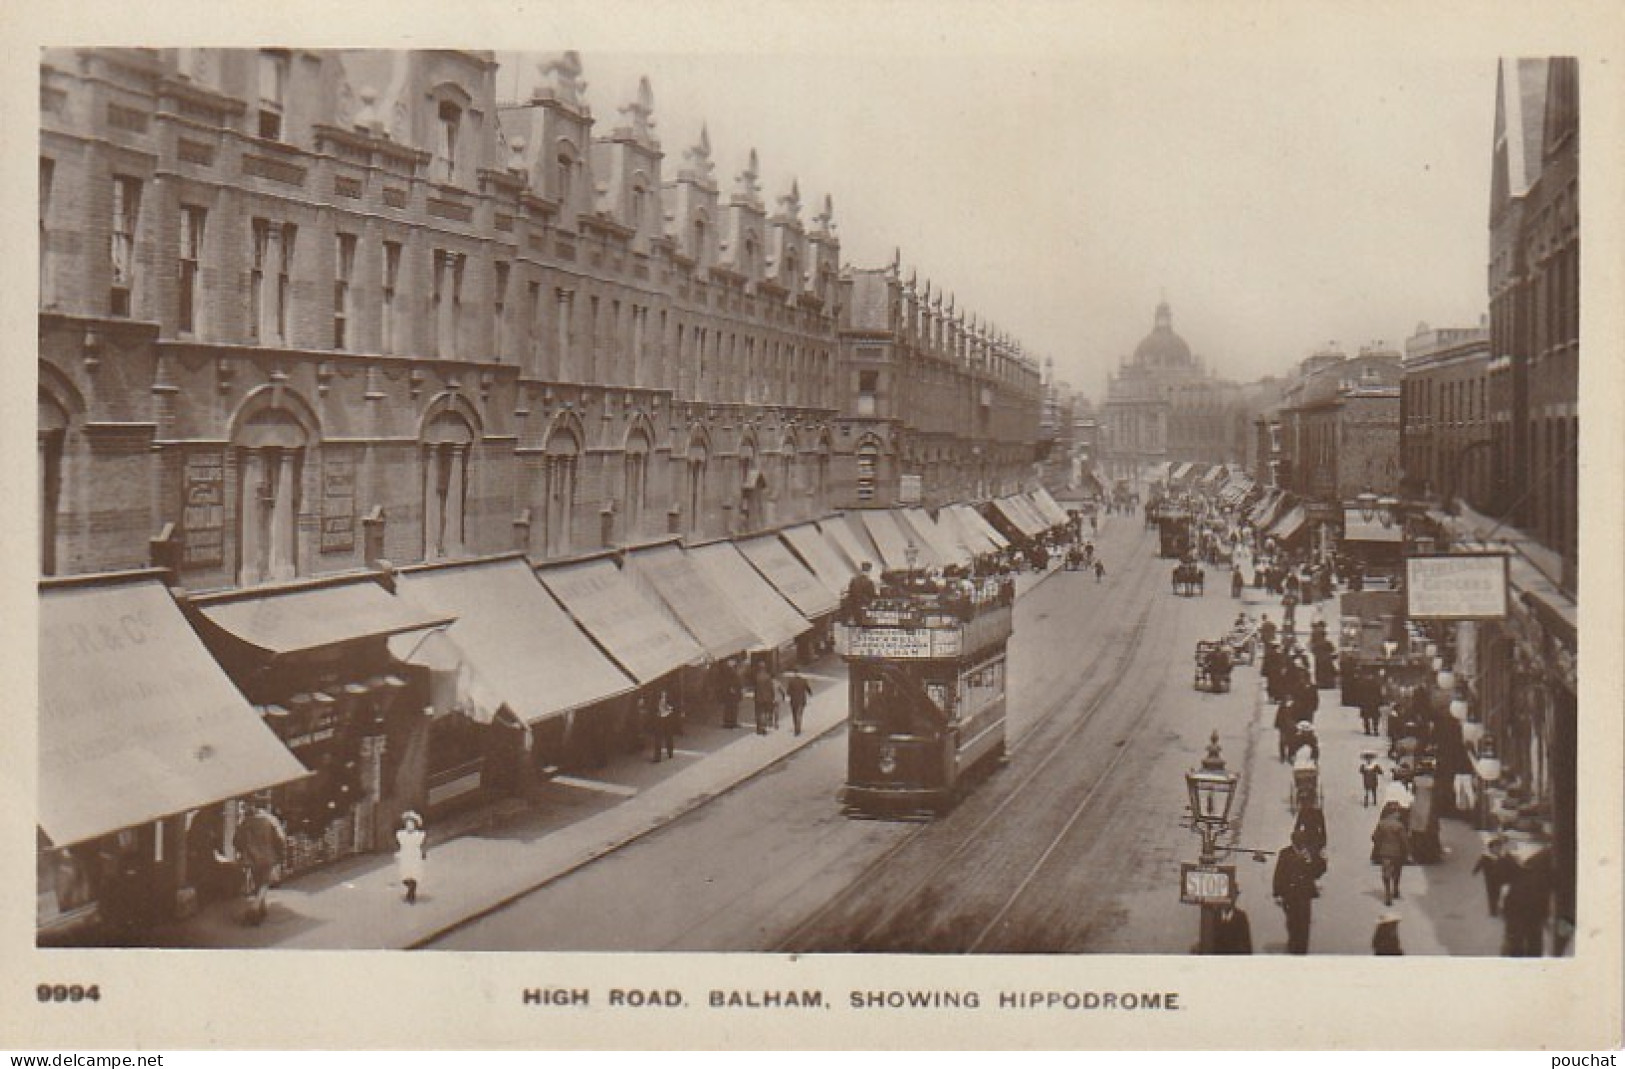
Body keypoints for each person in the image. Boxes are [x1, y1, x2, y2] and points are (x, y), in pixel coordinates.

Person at [233, 800, 287, 926]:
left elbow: (236, 841)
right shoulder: (270, 820)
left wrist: (244, 851)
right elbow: (281, 838)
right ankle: (255, 907)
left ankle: (261, 909)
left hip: (251, 858)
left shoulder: (245, 822)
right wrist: (278, 853)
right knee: (264, 882)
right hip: (268, 856)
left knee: (258, 881)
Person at [1273, 831, 1320, 954]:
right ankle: (1293, 943)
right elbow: (1278, 874)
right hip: (1290, 895)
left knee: (1305, 921)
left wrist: (1310, 861)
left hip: (1305, 895)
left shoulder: (1308, 854)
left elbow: (1318, 872)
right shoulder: (1285, 854)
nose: (1302, 846)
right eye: (1299, 843)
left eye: (1303, 843)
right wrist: (1277, 893)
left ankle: (1302, 947)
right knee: (1292, 921)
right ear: (1293, 842)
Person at [1370, 802, 1410, 906]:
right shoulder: (1399, 825)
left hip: (1385, 853)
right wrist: (1407, 852)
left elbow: (1374, 837)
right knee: (1397, 872)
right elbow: (1404, 841)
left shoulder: (1381, 824)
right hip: (1398, 853)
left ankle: (1387, 894)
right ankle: (1395, 890)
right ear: (1394, 814)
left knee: (1386, 874)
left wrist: (1380, 845)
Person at [1472, 833, 1508, 918]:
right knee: (1492, 894)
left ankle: (1496, 907)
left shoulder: (1500, 857)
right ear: (1491, 848)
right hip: (1490, 879)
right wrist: (1475, 871)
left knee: (1498, 893)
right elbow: (1479, 864)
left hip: (1499, 878)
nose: (1498, 850)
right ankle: (1493, 910)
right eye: (1496, 848)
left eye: (1499, 848)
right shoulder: (1486, 857)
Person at [396, 811, 427, 905]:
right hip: (405, 854)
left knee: (413, 874)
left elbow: (421, 844)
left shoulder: (419, 835)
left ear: (415, 825)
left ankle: (411, 893)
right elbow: (399, 844)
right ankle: (410, 890)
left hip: (414, 855)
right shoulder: (401, 834)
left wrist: (423, 853)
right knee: (405, 876)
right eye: (408, 824)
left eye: (412, 824)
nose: (409, 826)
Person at [651, 689, 678, 762]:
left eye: (664, 695)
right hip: (660, 719)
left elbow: (674, 707)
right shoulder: (656, 701)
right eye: (662, 696)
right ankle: (658, 757)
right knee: (658, 738)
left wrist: (670, 708)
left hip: (667, 718)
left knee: (668, 736)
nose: (663, 698)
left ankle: (670, 752)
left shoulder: (669, 699)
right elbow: (653, 709)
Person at [785, 667, 812, 736]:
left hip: (793, 701)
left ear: (794, 673)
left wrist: (789, 695)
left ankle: (796, 727)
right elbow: (808, 689)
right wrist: (810, 694)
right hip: (801, 700)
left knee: (794, 714)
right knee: (799, 714)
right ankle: (798, 729)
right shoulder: (803, 680)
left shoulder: (791, 681)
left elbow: (788, 692)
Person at [752, 664, 775, 735]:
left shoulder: (757, 677)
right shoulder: (768, 677)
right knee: (764, 713)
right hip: (767, 698)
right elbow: (771, 688)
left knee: (759, 713)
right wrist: (772, 697)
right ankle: (763, 728)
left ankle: (759, 728)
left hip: (758, 698)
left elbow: (755, 688)